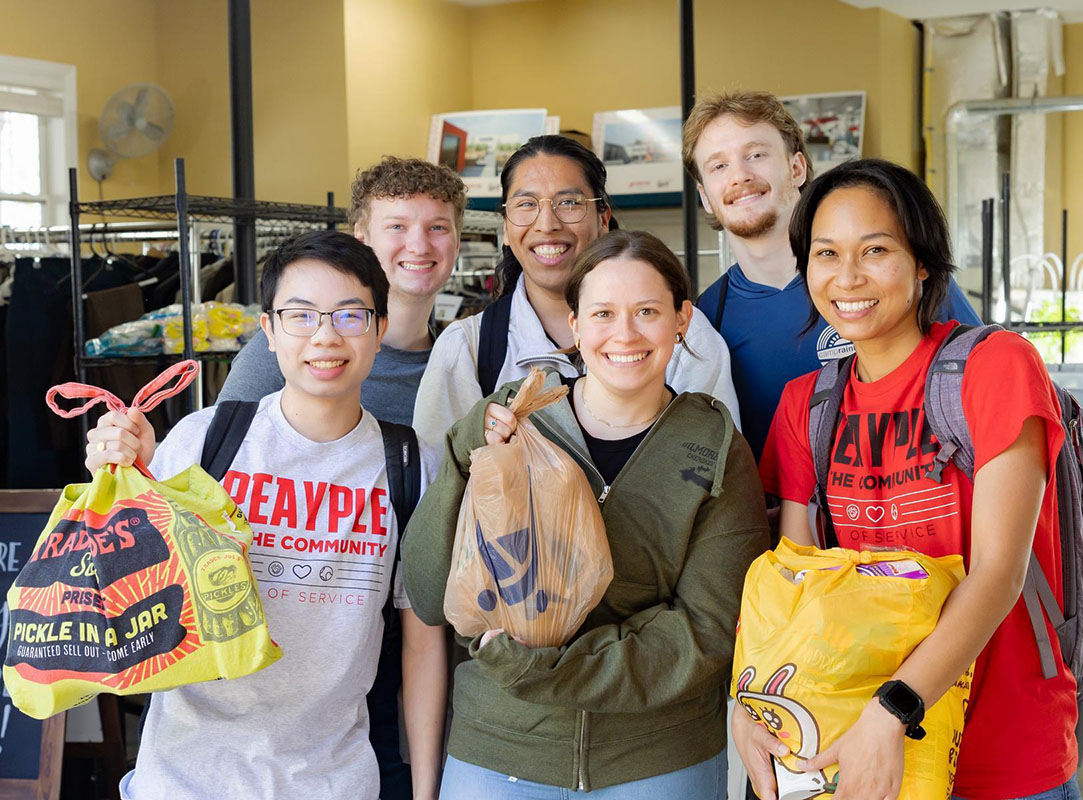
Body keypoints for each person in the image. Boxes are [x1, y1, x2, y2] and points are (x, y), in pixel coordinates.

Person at [90, 156, 465, 799]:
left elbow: (423, 640)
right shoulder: (208, 439)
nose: (325, 336)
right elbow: (129, 584)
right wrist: (125, 479)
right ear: (268, 330)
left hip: (336, 770)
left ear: (375, 329)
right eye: (301, 316)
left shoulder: (418, 453)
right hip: (185, 777)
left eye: (349, 316)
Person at [737, 159, 1079, 800]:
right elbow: (794, 584)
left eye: (875, 250)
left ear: (923, 262)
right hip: (852, 743)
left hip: (999, 751)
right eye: (826, 254)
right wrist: (748, 703)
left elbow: (998, 574)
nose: (847, 277)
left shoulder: (995, 367)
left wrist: (893, 708)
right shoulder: (805, 405)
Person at [403, 230, 769, 799]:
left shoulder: (714, 446)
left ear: (682, 319)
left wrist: (544, 669)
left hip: (656, 760)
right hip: (500, 750)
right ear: (575, 325)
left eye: (647, 311)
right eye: (602, 313)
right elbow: (429, 593)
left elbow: (706, 630)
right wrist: (467, 454)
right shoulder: (509, 422)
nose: (624, 334)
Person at [682, 90, 981, 459]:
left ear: (797, 168)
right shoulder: (706, 319)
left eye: (756, 155)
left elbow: (984, 392)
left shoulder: (893, 279)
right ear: (705, 196)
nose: (740, 175)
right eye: (718, 166)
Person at [412, 135, 739, 469]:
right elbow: (440, 479)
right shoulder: (468, 348)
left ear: (603, 218)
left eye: (568, 202)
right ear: (506, 228)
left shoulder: (684, 336)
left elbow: (712, 468)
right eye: (526, 204)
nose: (547, 224)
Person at [221, 155, 466, 424]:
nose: (419, 246)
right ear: (361, 238)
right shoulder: (295, 347)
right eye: (397, 226)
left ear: (457, 243)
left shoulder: (462, 364)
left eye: (438, 227)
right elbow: (222, 442)